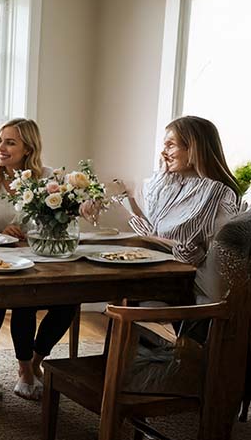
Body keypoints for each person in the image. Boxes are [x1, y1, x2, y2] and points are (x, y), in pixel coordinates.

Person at [0, 118, 75, 400]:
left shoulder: (51, 179)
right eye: (0, 141)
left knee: (69, 302)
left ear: (28, 148)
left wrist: (38, 233)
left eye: (10, 142)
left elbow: (61, 225)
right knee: (9, 300)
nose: (1, 147)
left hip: (40, 260)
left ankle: (34, 361)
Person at [86, 116, 241, 308]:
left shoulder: (216, 193)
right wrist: (124, 201)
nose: (163, 152)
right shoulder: (172, 185)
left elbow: (198, 257)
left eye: (170, 145)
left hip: (184, 289)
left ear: (193, 148)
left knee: (115, 290)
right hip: (157, 276)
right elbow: (153, 232)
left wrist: (145, 235)